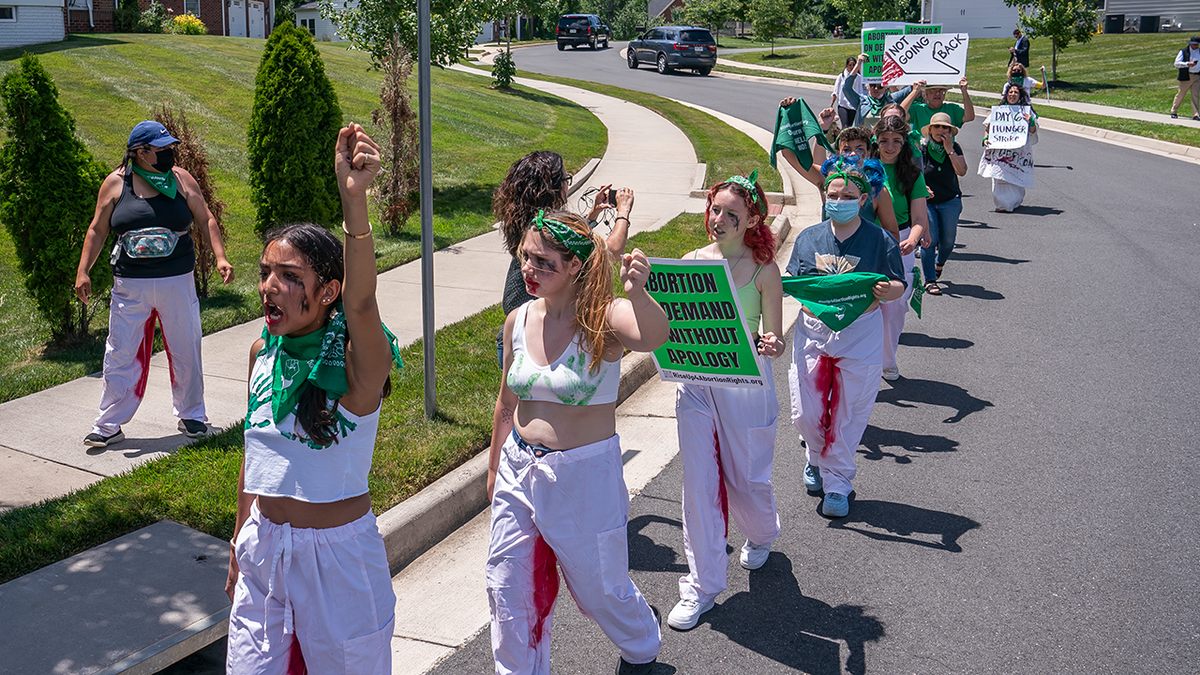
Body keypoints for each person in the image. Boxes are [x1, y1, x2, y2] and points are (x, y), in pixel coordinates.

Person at [225, 124, 402, 673]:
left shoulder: (357, 367)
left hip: (339, 561)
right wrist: (238, 540)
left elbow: (364, 301)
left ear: (328, 290)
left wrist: (355, 199)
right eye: (265, 274)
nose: (268, 287)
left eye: (288, 275)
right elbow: (257, 459)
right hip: (263, 552)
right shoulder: (263, 352)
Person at [488, 210, 668, 674]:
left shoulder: (603, 320)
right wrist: (494, 469)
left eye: (544, 262)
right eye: (526, 258)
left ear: (574, 266)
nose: (530, 270)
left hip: (583, 476)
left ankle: (642, 638)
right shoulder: (517, 319)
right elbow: (507, 403)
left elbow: (652, 335)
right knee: (507, 585)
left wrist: (638, 292)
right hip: (517, 467)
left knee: (599, 587)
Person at [667, 173, 785, 632]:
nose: (718, 220)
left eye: (731, 214)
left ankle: (762, 533)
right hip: (695, 385)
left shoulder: (763, 270)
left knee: (746, 480)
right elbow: (669, 325)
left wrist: (771, 343)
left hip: (746, 387)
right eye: (715, 209)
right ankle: (702, 585)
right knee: (698, 484)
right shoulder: (690, 262)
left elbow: (772, 333)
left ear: (752, 218)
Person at [74, 120, 234, 448]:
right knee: (121, 351)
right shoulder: (117, 183)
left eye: (169, 148)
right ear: (141, 152)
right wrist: (83, 270)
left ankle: (192, 415)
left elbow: (205, 218)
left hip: (177, 279)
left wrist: (220, 257)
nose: (170, 154)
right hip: (130, 283)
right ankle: (108, 425)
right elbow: (97, 229)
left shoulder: (180, 179)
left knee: (185, 346)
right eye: (162, 149)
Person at [786, 156, 906, 518]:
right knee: (806, 412)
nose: (838, 200)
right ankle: (815, 456)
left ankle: (837, 483)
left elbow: (899, 283)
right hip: (813, 332)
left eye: (847, 195)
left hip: (859, 333)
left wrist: (890, 291)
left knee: (847, 412)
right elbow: (793, 280)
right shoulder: (809, 238)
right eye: (832, 194)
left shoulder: (879, 239)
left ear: (864, 200)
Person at [494, 151, 632, 364]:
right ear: (553, 187)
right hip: (539, 332)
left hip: (516, 330)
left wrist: (592, 216)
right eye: (566, 179)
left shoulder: (529, 222)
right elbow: (611, 251)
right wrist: (623, 212)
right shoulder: (543, 227)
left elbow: (563, 240)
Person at [872, 115, 929, 381]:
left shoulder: (913, 175)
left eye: (896, 141)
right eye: (884, 141)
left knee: (893, 306)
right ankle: (863, 361)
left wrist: (913, 239)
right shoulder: (865, 170)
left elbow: (919, 219)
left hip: (900, 243)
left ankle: (887, 360)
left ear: (904, 142)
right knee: (866, 301)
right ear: (876, 142)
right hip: (866, 241)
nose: (890, 147)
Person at [917, 112, 968, 296]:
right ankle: (930, 280)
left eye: (945, 127)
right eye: (937, 127)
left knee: (947, 241)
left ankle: (939, 263)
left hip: (950, 200)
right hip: (927, 201)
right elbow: (914, 173)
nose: (941, 130)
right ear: (930, 130)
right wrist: (922, 189)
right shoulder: (921, 149)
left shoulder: (955, 147)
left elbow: (961, 171)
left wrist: (949, 150)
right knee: (929, 240)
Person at [980, 83, 1039, 213]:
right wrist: (986, 138)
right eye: (1010, 92)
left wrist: (1031, 122)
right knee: (1000, 176)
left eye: (1016, 93)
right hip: (1000, 151)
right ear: (1006, 95)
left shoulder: (1026, 111)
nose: (1013, 95)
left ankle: (1014, 201)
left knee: (1015, 176)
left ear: (1020, 95)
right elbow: (988, 129)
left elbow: (1033, 131)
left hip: (1018, 152)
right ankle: (1002, 204)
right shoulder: (999, 111)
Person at [843, 53, 913, 129]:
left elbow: (911, 89)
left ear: (885, 88)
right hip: (864, 139)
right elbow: (846, 88)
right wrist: (858, 65)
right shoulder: (861, 101)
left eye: (880, 86)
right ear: (868, 86)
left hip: (883, 140)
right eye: (872, 85)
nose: (876, 89)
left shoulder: (891, 99)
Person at [900, 77, 976, 134]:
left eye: (941, 91)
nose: (937, 94)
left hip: (946, 151)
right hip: (922, 152)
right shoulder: (918, 109)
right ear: (926, 94)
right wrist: (914, 91)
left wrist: (964, 91)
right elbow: (900, 114)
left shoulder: (952, 109)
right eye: (933, 90)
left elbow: (969, 117)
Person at [832, 56, 867, 129]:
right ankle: (842, 140)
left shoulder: (859, 78)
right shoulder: (841, 77)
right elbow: (835, 92)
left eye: (853, 65)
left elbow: (861, 92)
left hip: (853, 106)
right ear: (846, 65)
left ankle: (844, 140)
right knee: (845, 126)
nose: (851, 67)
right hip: (843, 105)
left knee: (850, 127)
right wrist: (831, 105)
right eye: (850, 65)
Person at [1170, 36, 1200, 120]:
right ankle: (1174, 111)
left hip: (1197, 76)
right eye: (1194, 44)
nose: (1195, 46)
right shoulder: (1184, 51)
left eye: (1197, 44)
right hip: (1187, 75)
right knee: (1181, 94)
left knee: (1195, 95)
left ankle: (1196, 114)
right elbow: (1176, 63)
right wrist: (1187, 64)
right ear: (1190, 43)